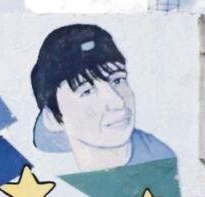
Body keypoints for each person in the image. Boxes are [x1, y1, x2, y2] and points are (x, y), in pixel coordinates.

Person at [30, 23, 174, 172]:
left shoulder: (161, 163)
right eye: (87, 91)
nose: (118, 102)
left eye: (117, 80)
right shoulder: (46, 172)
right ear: (52, 119)